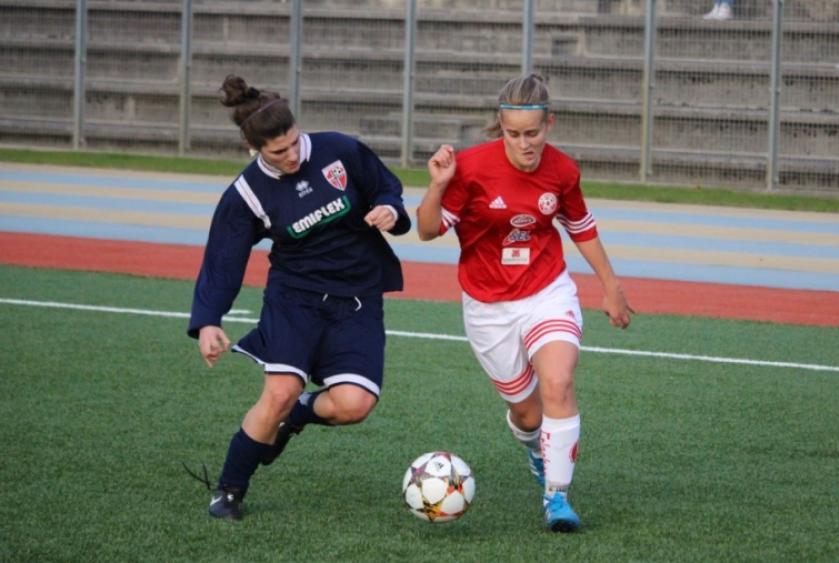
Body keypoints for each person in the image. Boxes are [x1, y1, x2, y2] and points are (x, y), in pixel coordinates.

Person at [185, 74, 411, 520]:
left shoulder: (340, 150)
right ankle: (229, 490)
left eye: (292, 143)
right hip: (295, 299)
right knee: (280, 391)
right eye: (277, 152)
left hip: (358, 297)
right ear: (255, 150)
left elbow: (387, 188)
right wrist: (209, 319)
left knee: (354, 405)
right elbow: (223, 258)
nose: (290, 156)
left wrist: (391, 211)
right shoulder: (247, 193)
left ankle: (298, 416)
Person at [416, 73, 633, 533]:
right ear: (501, 127)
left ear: (549, 123)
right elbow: (428, 229)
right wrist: (437, 185)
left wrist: (610, 284)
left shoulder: (564, 171)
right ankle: (536, 450)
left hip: (546, 291)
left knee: (558, 382)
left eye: (532, 133)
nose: (524, 144)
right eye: (513, 134)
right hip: (488, 307)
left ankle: (557, 498)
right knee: (528, 413)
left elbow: (581, 227)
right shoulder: (471, 168)